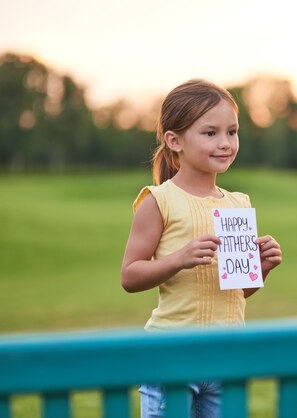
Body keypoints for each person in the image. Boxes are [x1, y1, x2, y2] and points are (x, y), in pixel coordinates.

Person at [121, 79, 282, 418]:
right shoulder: (160, 200)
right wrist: (178, 259)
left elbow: (238, 292)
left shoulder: (239, 204)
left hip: (227, 355)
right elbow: (130, 275)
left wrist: (261, 269)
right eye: (210, 133)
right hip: (172, 355)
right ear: (174, 140)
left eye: (232, 132)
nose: (225, 143)